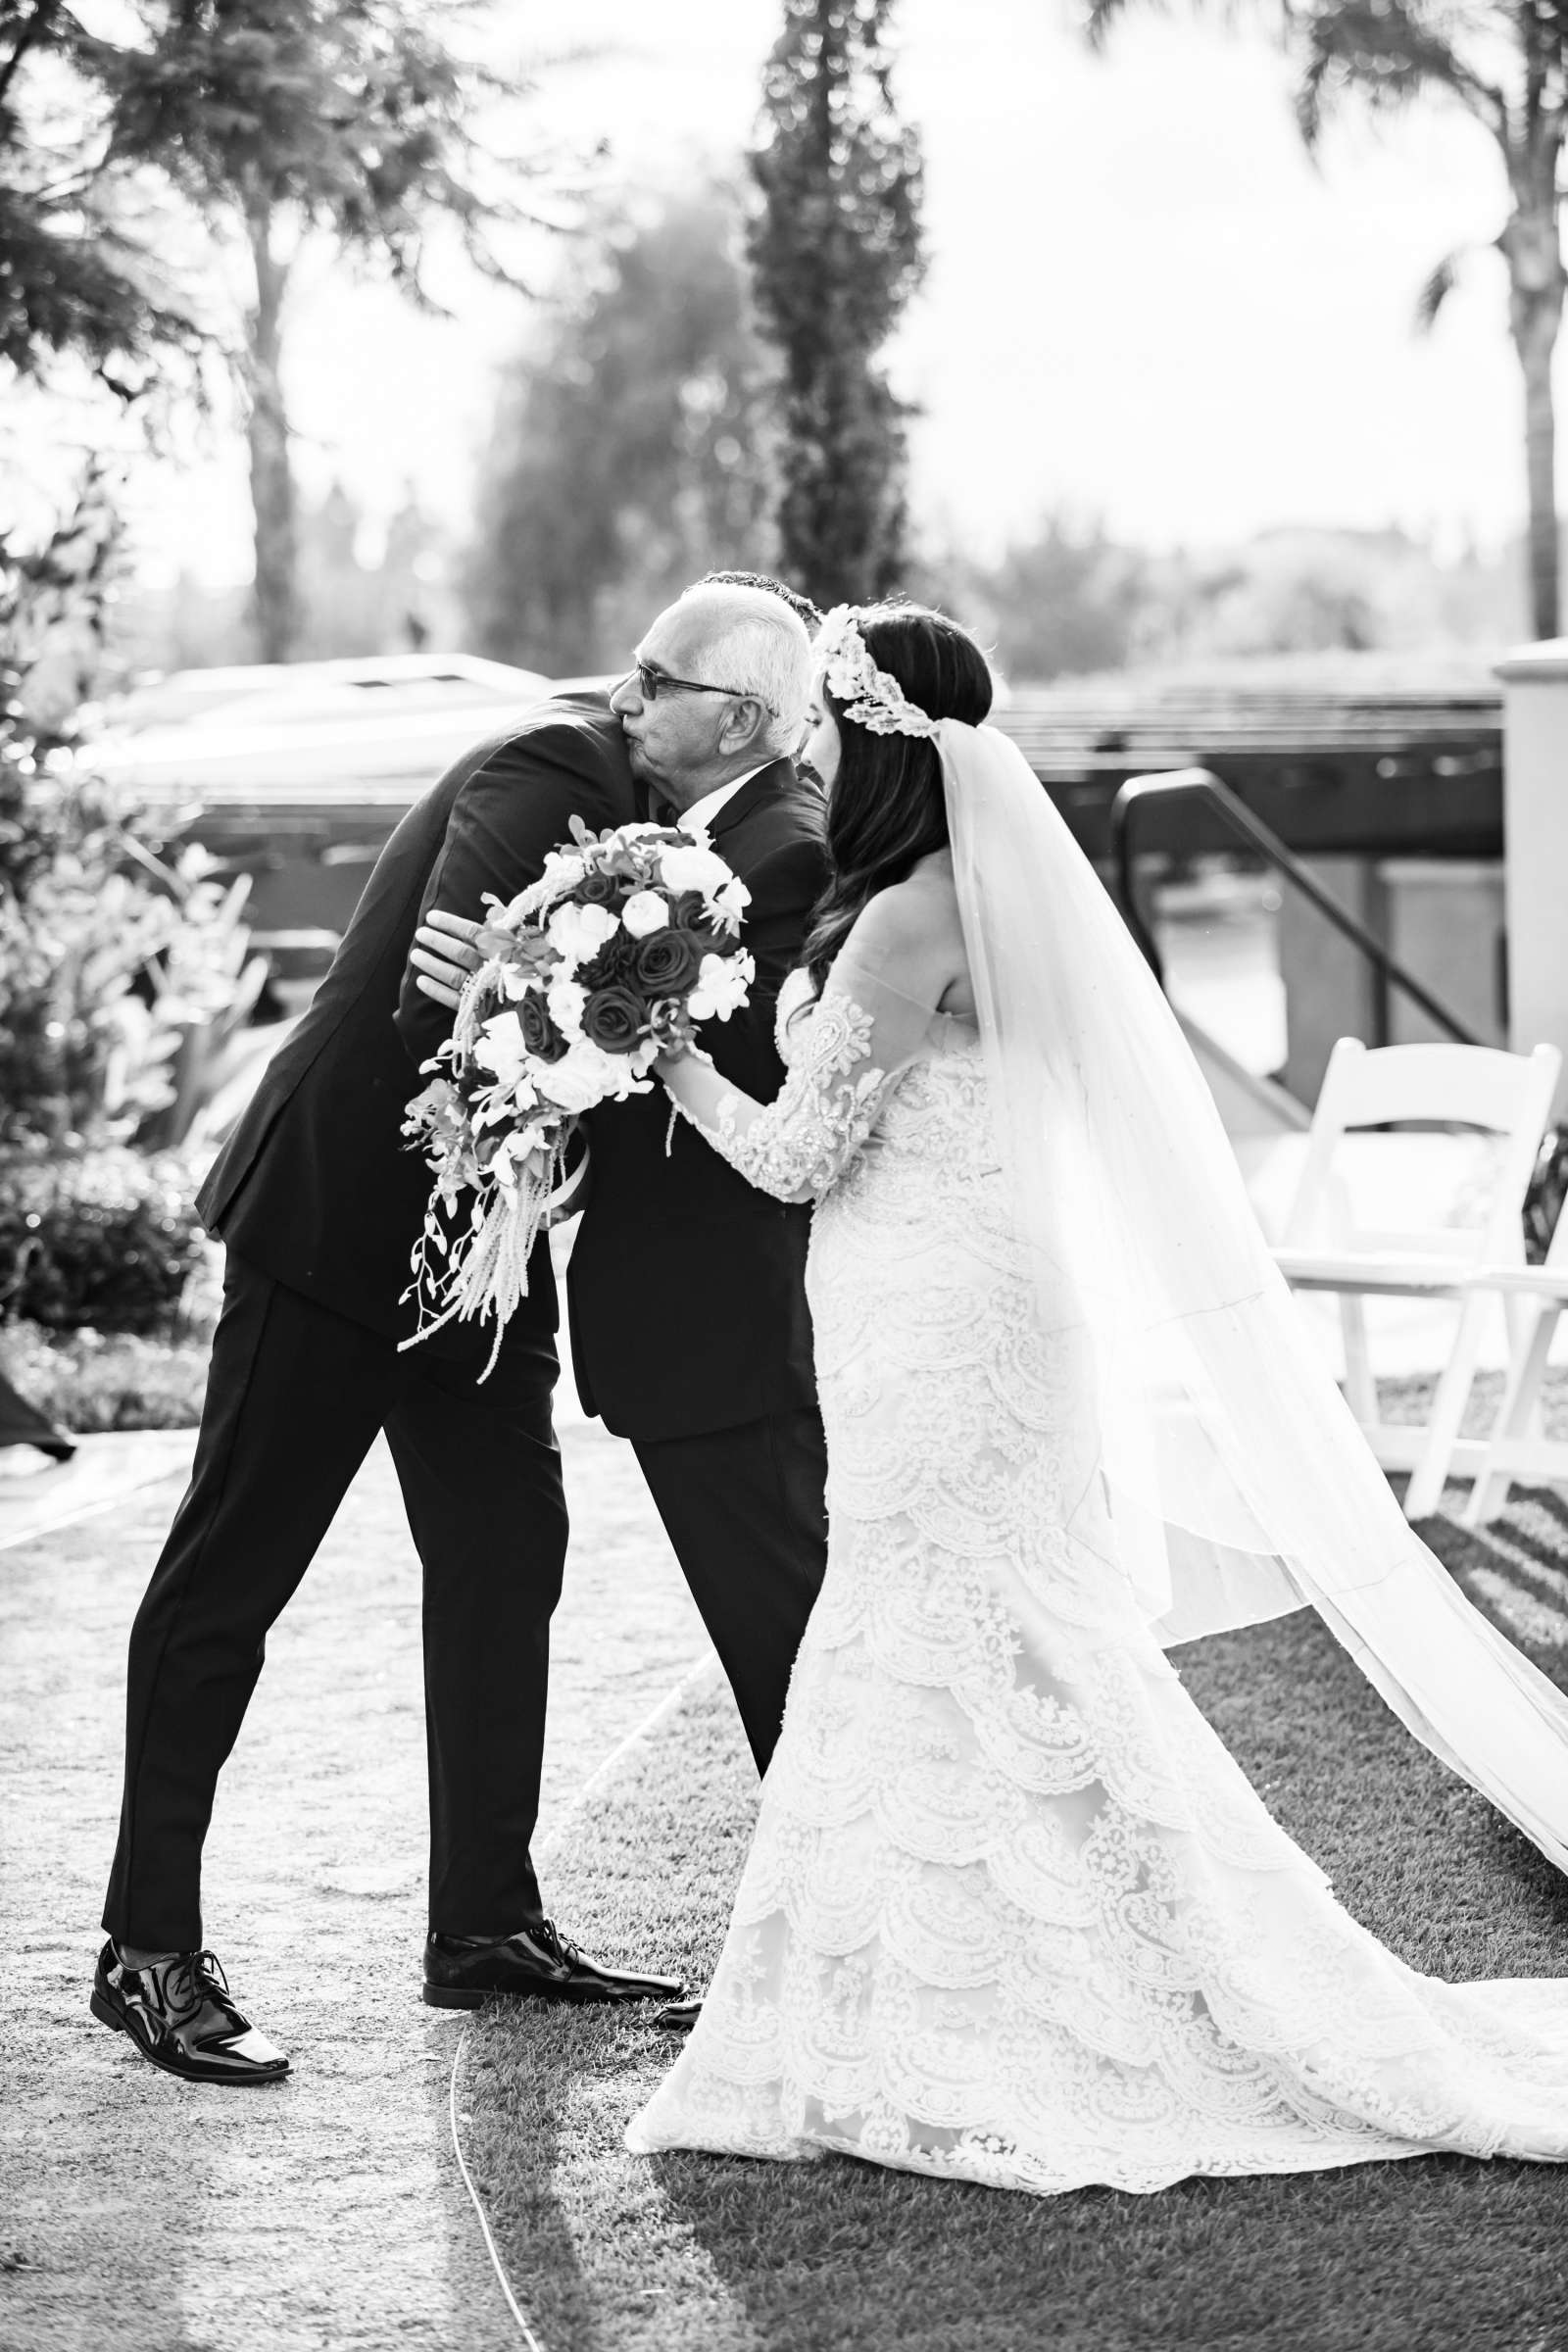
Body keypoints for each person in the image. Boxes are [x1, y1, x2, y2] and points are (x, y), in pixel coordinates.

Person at [622, 601, 1568, 2195]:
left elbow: (796, 1159)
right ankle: (920, 1996)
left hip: (935, 1326)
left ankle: (980, 2009)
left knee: (960, 1627)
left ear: (884, 744)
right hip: (948, 1308)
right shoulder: (943, 900)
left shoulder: (906, 922)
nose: (817, 747)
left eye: (835, 726)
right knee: (989, 1633)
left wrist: (663, 1056)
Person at [92, 577, 823, 2083]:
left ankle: (483, 1927)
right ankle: (145, 1947)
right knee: (235, 1571)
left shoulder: (697, 844)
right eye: (631, 667)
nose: (624, 691)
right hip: (336, 1222)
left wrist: (560, 996)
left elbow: (519, 1001)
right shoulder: (557, 764)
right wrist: (542, 986)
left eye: (659, 677)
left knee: (507, 1556)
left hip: (478, 1262)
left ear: (736, 719)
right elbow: (465, 988)